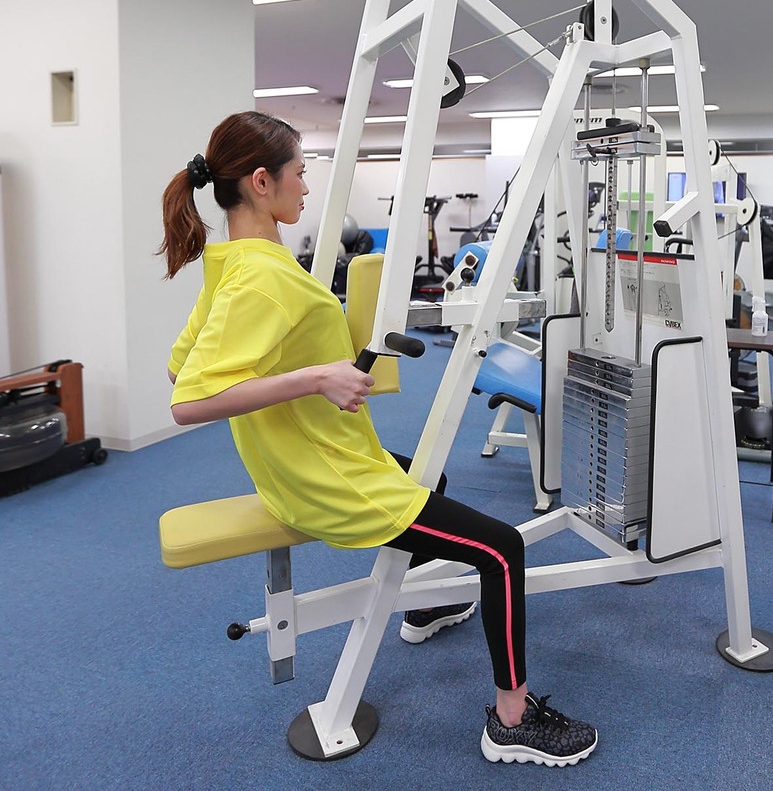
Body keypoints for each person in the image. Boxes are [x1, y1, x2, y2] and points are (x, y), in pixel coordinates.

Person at [159, 109, 597, 766]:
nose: (306, 186)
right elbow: (189, 401)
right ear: (260, 182)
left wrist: (299, 369)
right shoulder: (263, 279)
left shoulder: (232, 265)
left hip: (306, 461)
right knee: (502, 550)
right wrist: (315, 378)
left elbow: (181, 367)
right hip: (326, 479)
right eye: (298, 173)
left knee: (429, 474)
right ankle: (512, 719)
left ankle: (423, 607)